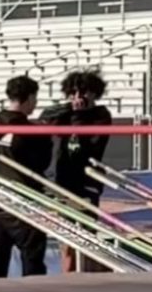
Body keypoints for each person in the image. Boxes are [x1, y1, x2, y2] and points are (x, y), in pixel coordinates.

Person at [0, 76, 53, 278]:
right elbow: (41, 164)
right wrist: (47, 138)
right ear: (29, 98)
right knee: (32, 255)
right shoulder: (29, 131)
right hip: (22, 201)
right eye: (35, 99)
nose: (36, 104)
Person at [45, 69, 112, 273]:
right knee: (66, 238)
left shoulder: (101, 115)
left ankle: (86, 275)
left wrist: (80, 115)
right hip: (61, 181)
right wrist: (68, 109)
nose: (78, 98)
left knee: (87, 236)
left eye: (83, 92)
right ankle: (67, 276)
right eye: (73, 93)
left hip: (86, 182)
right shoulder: (64, 112)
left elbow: (93, 144)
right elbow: (45, 116)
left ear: (94, 93)